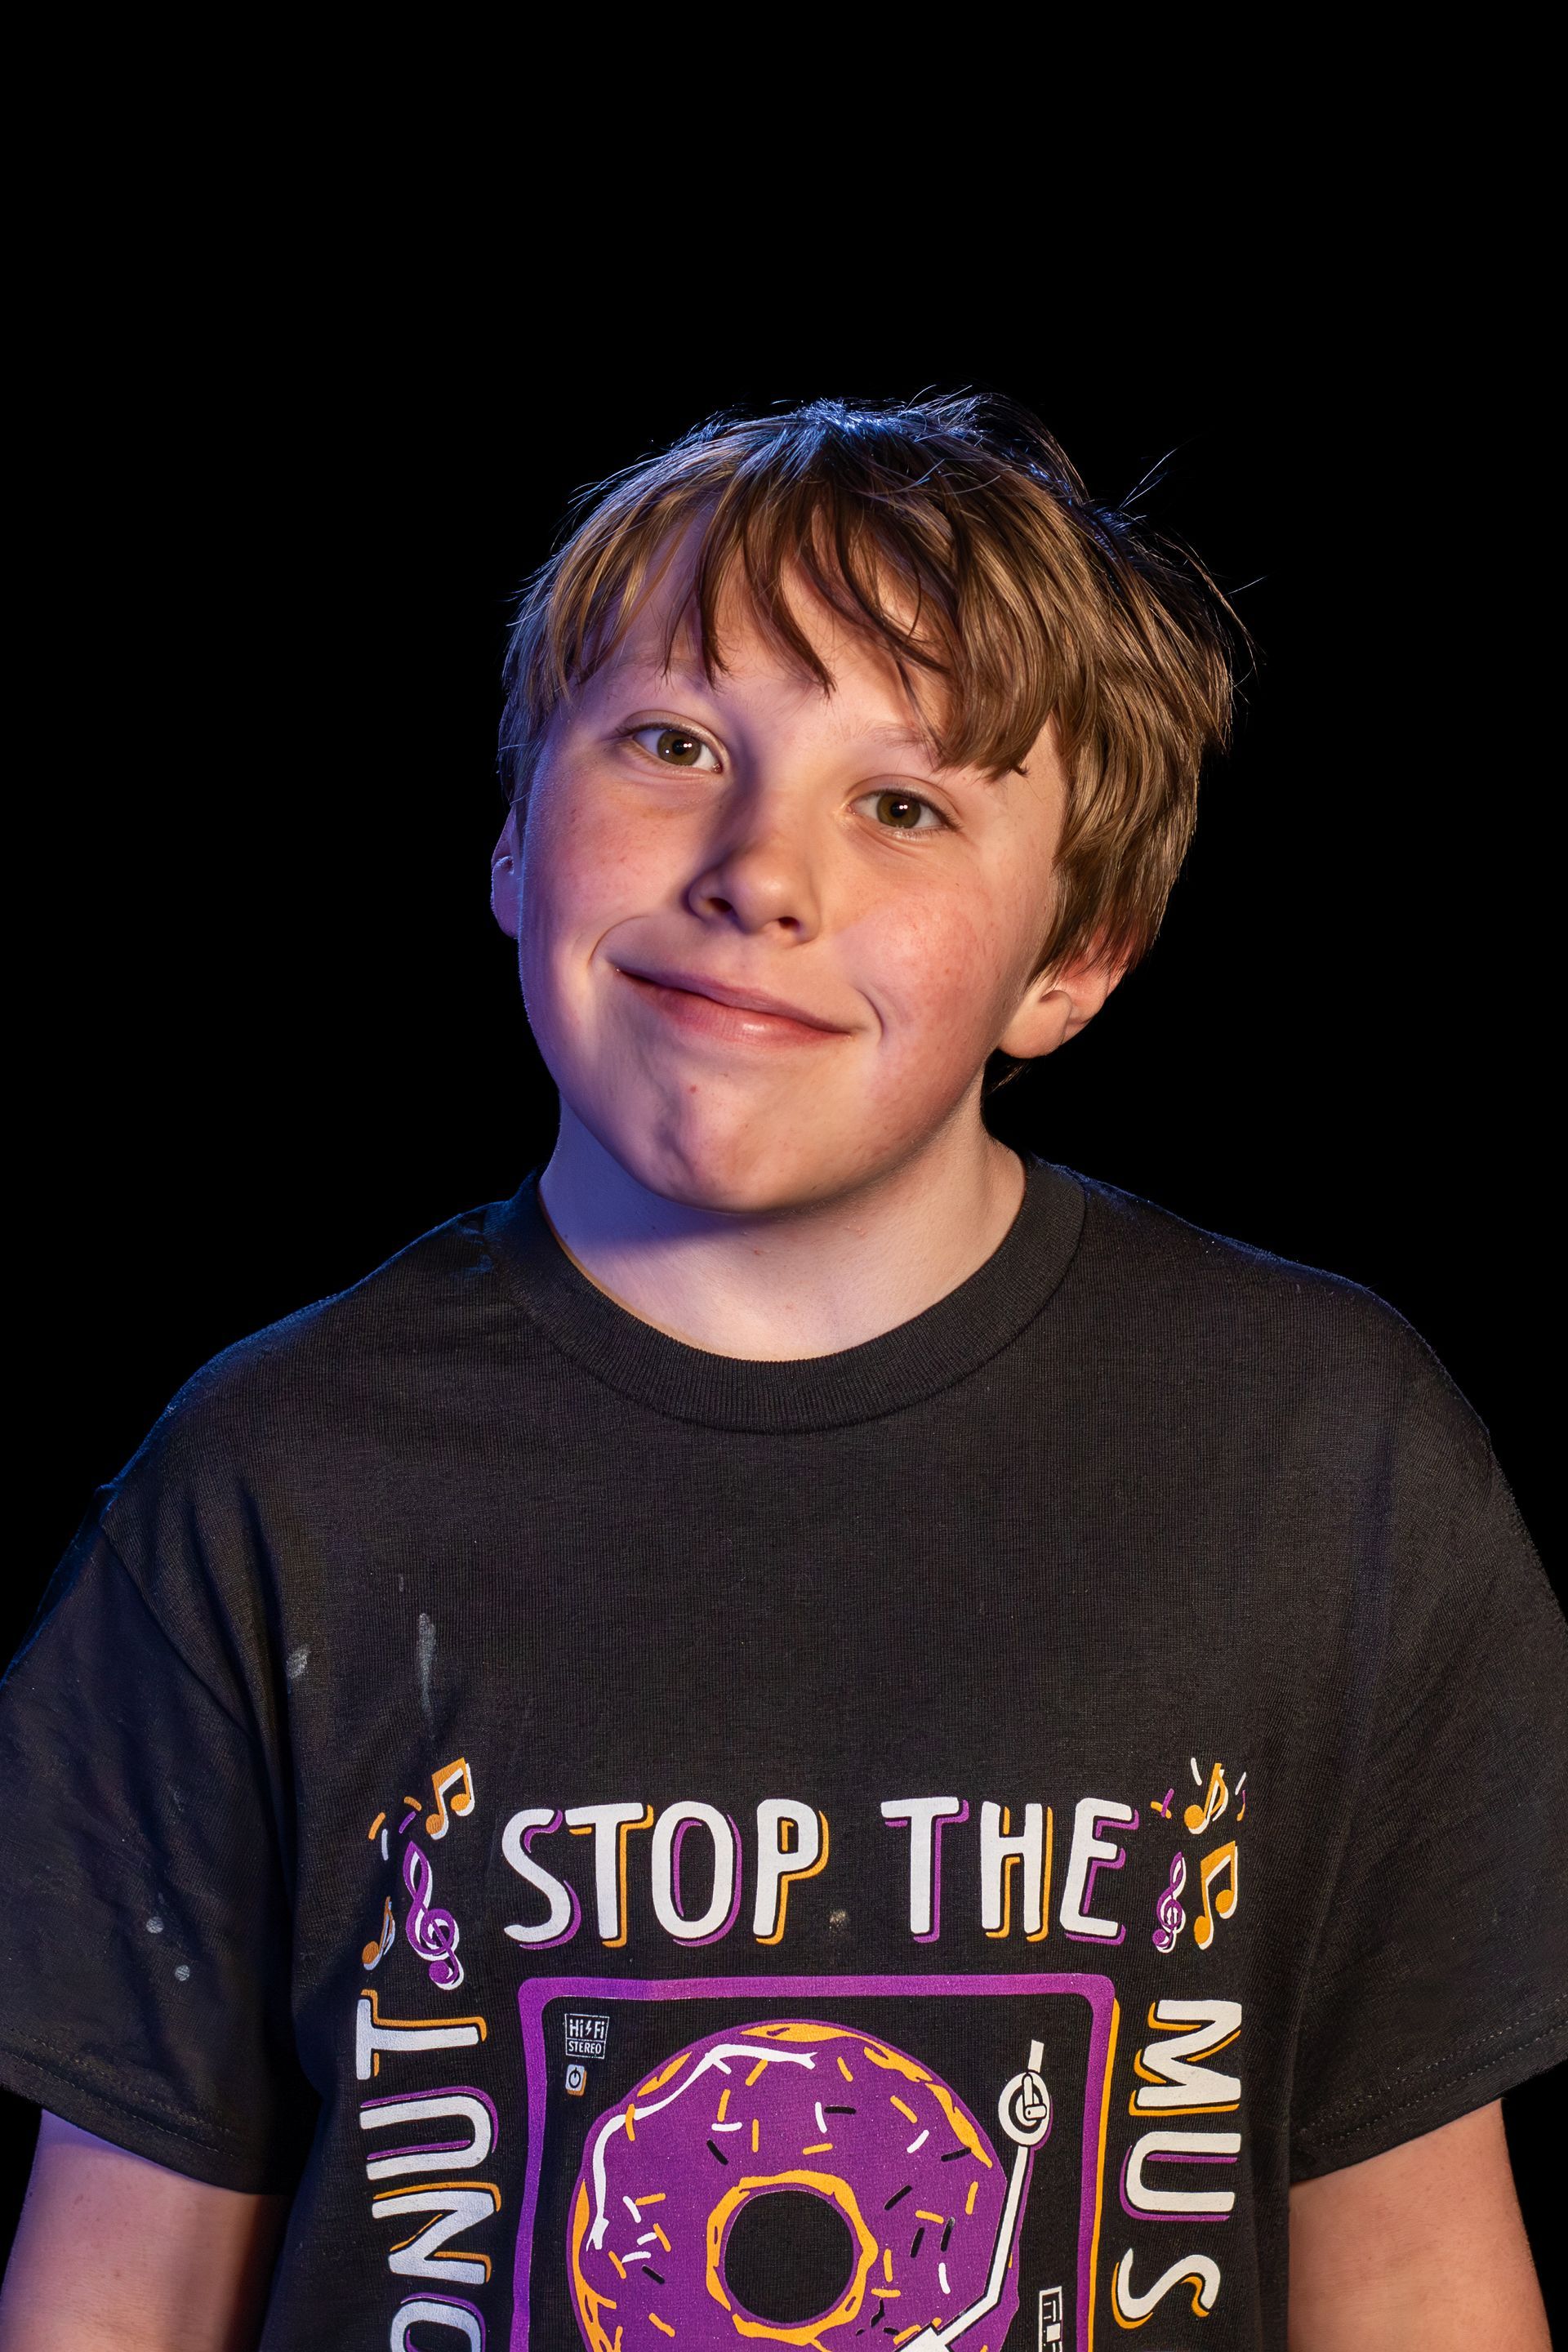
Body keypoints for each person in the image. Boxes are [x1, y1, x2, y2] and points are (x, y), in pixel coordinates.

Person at [0, 394, 1561, 2352]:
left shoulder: (1331, 1460)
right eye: (673, 743)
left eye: (903, 804)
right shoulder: (260, 1490)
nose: (762, 871)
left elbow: (1414, 2258)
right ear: (509, 835)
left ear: (1077, 962)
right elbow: (125, 2284)